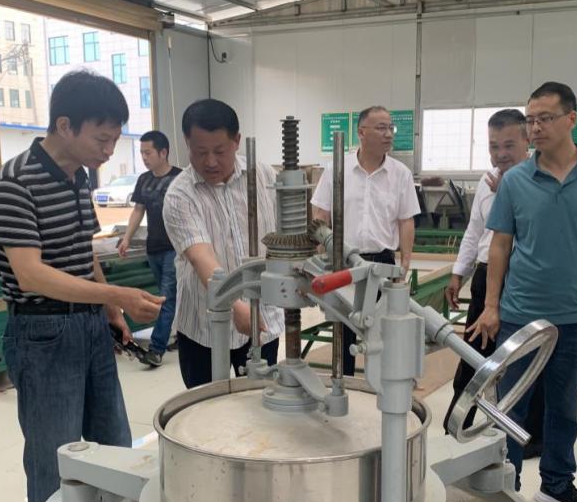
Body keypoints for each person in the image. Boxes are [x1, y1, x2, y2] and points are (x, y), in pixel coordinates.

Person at [0, 70, 164, 502]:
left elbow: (83, 251)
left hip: (88, 325)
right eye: (102, 139)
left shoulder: (79, 177)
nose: (109, 151)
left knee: (115, 444)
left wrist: (109, 308)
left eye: (114, 140)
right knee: (55, 459)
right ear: (65, 125)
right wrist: (116, 295)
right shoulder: (15, 182)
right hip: (43, 334)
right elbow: (30, 275)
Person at [468, 81, 577, 502]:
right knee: (510, 408)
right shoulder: (516, 181)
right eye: (531, 120)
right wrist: (491, 306)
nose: (535, 128)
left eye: (544, 118)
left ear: (571, 119)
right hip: (520, 317)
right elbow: (500, 245)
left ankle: (556, 485)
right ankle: (507, 488)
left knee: (564, 407)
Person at [442, 109, 544, 458]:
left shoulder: (541, 182)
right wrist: (459, 272)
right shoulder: (487, 183)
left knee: (525, 358)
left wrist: (512, 193)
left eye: (509, 145)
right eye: (493, 146)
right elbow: (474, 232)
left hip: (522, 278)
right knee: (474, 354)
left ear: (527, 142)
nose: (500, 154)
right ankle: (456, 426)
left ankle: (529, 438)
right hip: (486, 277)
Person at [162, 99, 283, 389]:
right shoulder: (179, 195)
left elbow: (282, 237)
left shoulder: (264, 176)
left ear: (237, 141)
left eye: (219, 151)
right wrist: (234, 304)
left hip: (263, 319)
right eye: (200, 152)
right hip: (202, 327)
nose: (210, 162)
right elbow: (200, 256)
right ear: (187, 143)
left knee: (260, 402)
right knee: (204, 407)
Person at [310, 105, 420, 376]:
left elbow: (406, 220)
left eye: (391, 128)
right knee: (343, 331)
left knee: (383, 334)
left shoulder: (400, 174)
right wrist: (320, 258)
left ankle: (382, 389)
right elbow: (320, 215)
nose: (388, 134)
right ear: (361, 132)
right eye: (381, 128)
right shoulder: (337, 169)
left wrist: (404, 265)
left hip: (382, 263)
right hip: (344, 263)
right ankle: (343, 383)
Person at [117, 130, 183, 367]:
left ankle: (156, 350)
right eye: (142, 153)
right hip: (153, 247)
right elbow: (138, 210)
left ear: (163, 152)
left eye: (148, 152)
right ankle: (182, 336)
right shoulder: (144, 179)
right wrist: (126, 238)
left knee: (164, 298)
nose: (144, 157)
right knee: (170, 297)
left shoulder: (180, 178)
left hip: (175, 247)